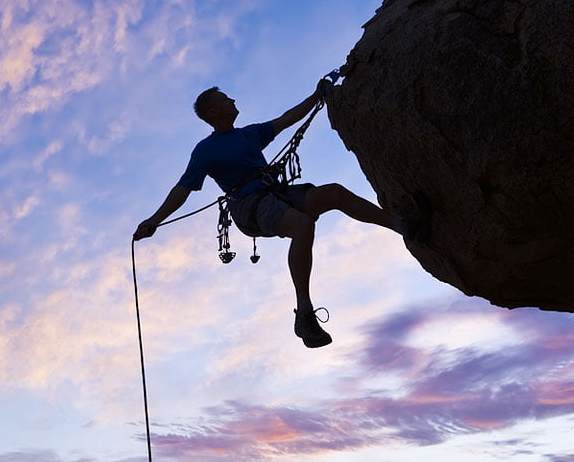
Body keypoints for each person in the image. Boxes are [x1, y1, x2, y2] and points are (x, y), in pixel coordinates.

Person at [133, 82, 430, 349]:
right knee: (302, 225)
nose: (232, 100)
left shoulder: (249, 134)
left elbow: (287, 119)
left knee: (334, 194)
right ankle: (304, 311)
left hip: (274, 193)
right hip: (248, 206)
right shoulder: (206, 150)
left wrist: (316, 96)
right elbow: (183, 188)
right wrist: (154, 221)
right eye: (225, 99)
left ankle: (401, 225)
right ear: (213, 111)